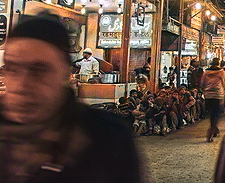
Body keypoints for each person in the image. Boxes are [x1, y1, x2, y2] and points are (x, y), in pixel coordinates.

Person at [0, 14, 141, 182]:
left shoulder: (106, 139)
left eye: (39, 71)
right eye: (12, 68)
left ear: (65, 73)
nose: (21, 86)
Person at [200, 57, 225, 142]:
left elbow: (202, 84)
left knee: (211, 113)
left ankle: (214, 128)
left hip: (208, 95)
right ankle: (211, 131)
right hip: (218, 95)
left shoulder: (205, 72)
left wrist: (205, 90)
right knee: (216, 114)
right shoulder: (221, 72)